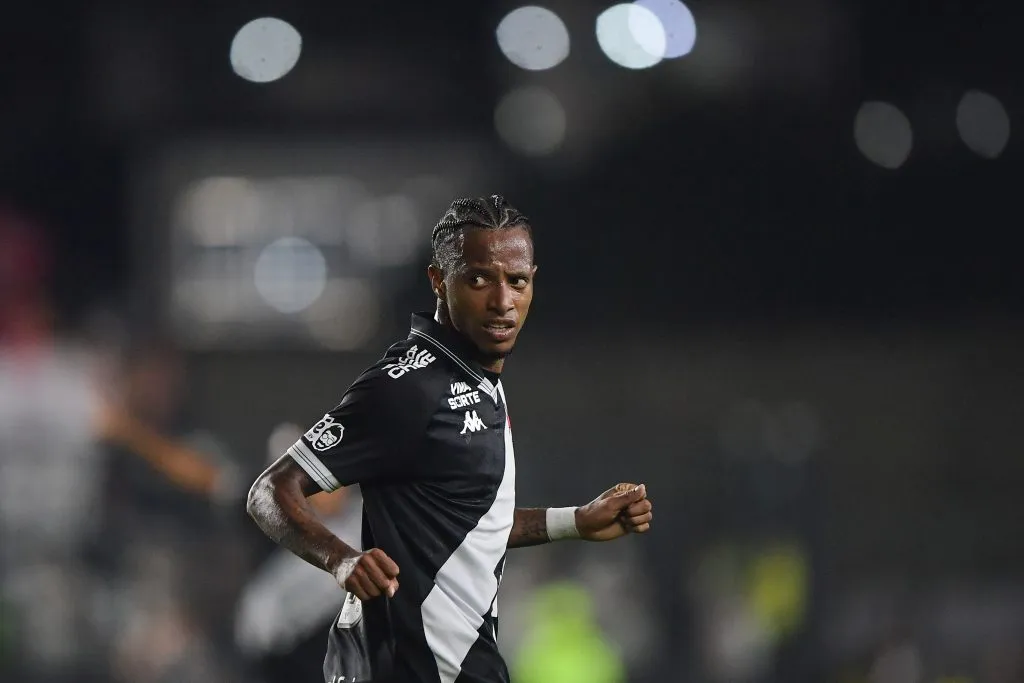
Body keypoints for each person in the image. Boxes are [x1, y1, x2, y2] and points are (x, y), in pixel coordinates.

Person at [246, 194, 654, 683]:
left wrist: (575, 521)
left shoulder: (478, 380)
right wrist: (341, 560)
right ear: (438, 281)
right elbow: (270, 491)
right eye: (479, 279)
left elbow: (466, 525)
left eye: (517, 281)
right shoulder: (406, 386)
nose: (503, 301)